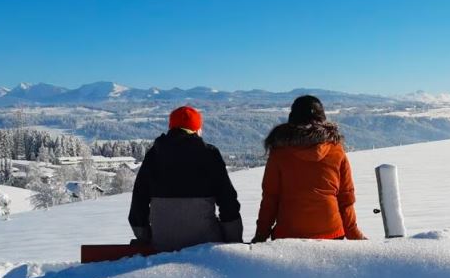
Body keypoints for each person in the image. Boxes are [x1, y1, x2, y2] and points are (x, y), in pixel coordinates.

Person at [252, 95, 366, 242]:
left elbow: (270, 198)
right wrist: (353, 233)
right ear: (322, 119)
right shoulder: (336, 150)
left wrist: (261, 235)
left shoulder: (279, 152)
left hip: (288, 233)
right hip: (332, 232)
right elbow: (346, 197)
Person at [128, 105, 242, 251]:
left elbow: (139, 199)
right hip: (205, 244)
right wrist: (234, 240)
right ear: (196, 129)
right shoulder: (209, 154)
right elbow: (228, 200)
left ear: (171, 127)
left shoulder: (154, 154)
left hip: (163, 243)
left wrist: (145, 237)